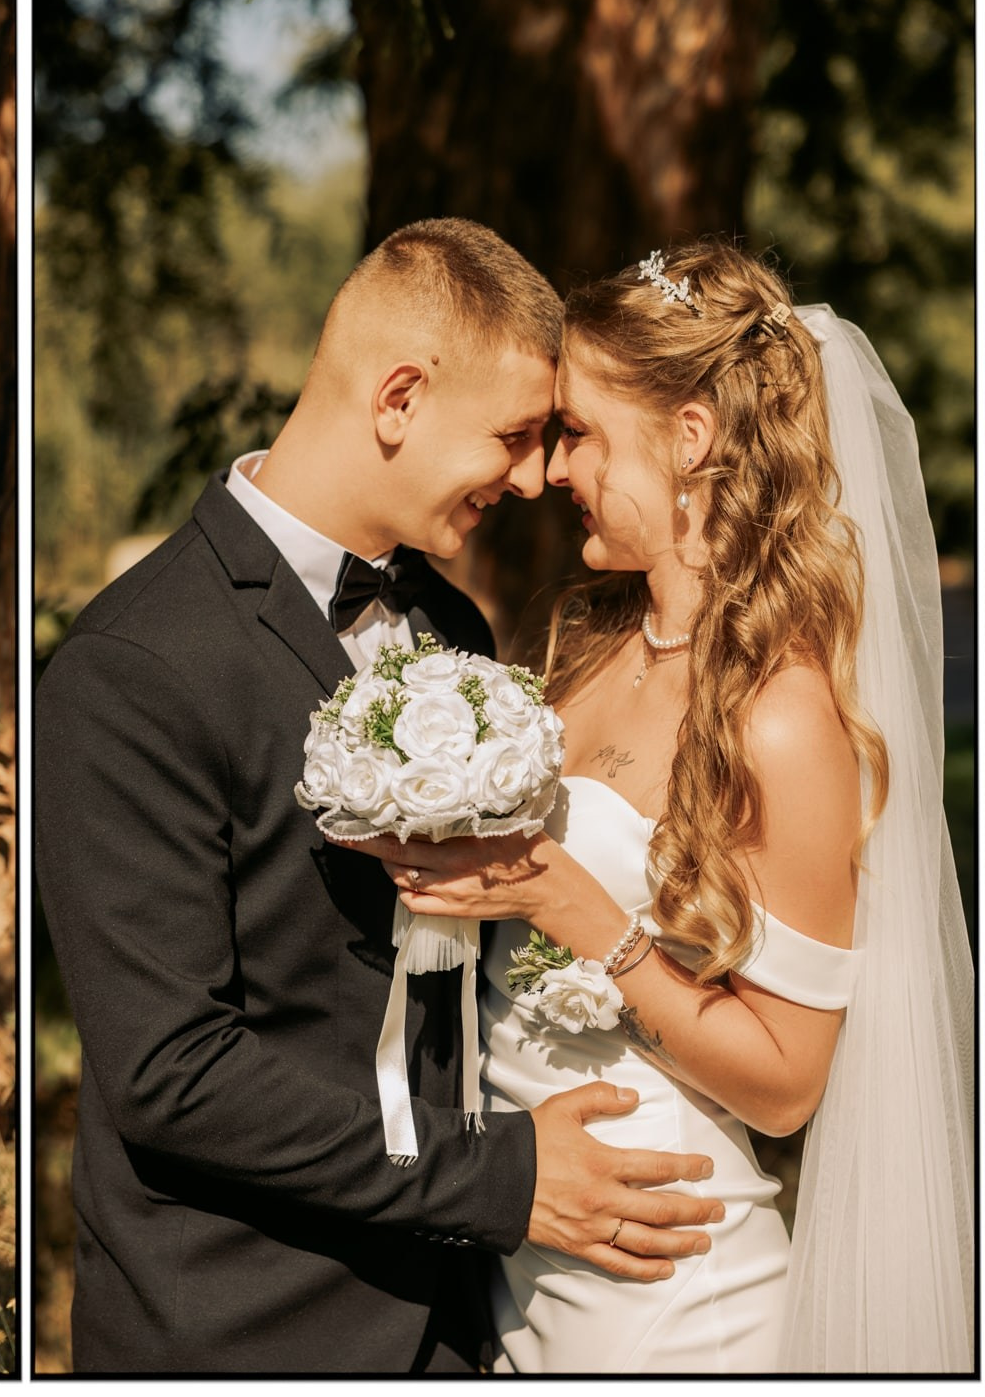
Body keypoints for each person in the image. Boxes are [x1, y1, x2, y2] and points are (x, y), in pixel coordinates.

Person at [35, 218, 724, 1374]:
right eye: (513, 436)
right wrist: (503, 1177)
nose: (532, 477)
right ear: (399, 398)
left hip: (468, 1315)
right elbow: (171, 1073)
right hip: (250, 1325)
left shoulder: (451, 626)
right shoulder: (132, 666)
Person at [367, 242, 974, 1371]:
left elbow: (787, 1084)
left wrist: (583, 915)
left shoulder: (780, 717)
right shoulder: (581, 648)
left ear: (689, 438)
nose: (554, 470)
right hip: (518, 1265)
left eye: (581, 433)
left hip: (674, 1293)